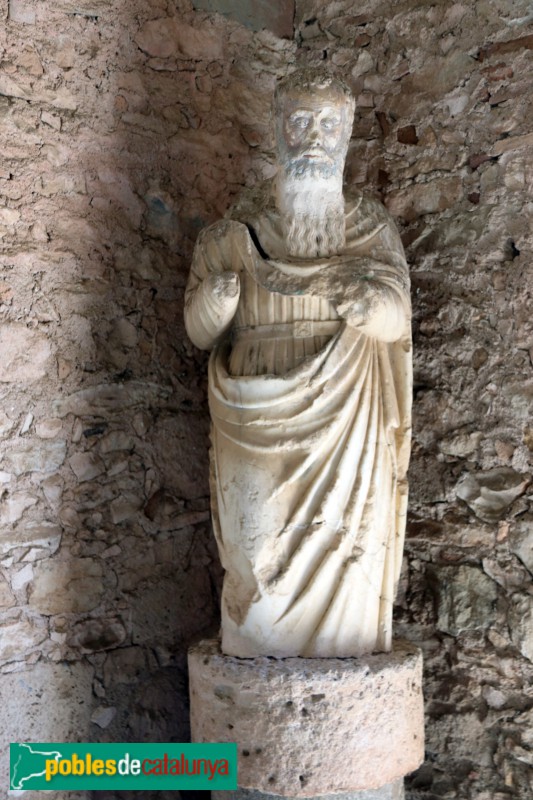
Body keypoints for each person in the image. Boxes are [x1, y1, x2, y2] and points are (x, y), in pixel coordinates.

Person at [184, 68, 412, 659]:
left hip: (346, 409)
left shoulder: (369, 225)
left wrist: (367, 303)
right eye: (302, 122)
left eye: (328, 124)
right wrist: (216, 302)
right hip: (254, 401)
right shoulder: (236, 229)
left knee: (350, 541)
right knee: (254, 547)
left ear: (346, 134)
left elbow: (397, 319)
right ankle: (259, 667)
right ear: (280, 130)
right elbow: (199, 331)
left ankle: (344, 663)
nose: (314, 137)